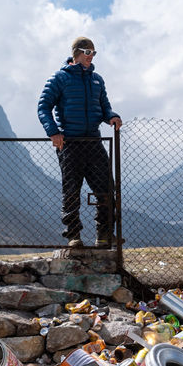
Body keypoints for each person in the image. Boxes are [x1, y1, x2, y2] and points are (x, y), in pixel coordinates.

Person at [37, 36, 123, 248]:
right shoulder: (60, 78)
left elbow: (104, 106)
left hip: (93, 141)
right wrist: (53, 133)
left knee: (106, 189)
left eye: (94, 53)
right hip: (70, 143)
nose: (91, 56)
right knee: (72, 191)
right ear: (77, 53)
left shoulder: (97, 80)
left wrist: (112, 117)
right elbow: (44, 107)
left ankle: (104, 236)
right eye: (88, 52)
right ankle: (73, 236)